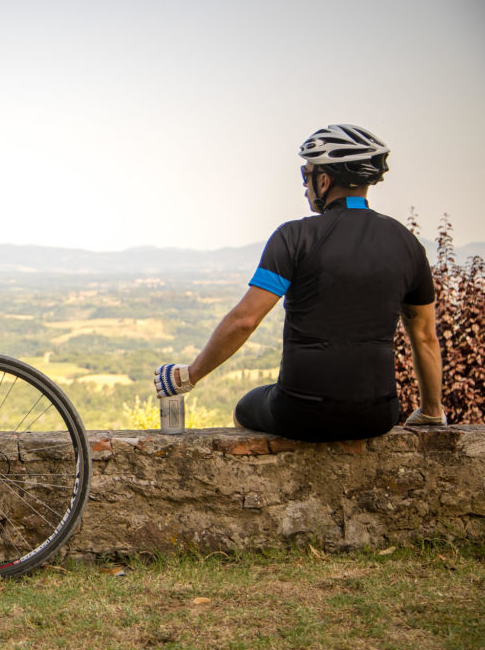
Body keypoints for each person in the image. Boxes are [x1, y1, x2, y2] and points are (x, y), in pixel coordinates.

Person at [153, 124, 445, 441]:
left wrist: (188, 376)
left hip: (300, 413)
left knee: (243, 409)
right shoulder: (408, 244)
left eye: (305, 175)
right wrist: (431, 411)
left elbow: (245, 320)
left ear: (324, 179)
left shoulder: (294, 237)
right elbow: (425, 336)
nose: (304, 186)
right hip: (378, 416)